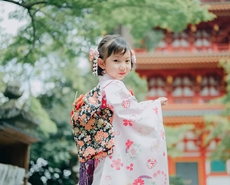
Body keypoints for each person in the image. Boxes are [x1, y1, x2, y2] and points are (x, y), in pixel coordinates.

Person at [71, 34, 169, 185]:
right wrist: (154, 106)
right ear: (102, 63)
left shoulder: (103, 86)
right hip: (113, 148)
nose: (123, 66)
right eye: (116, 61)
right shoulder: (114, 87)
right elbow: (133, 112)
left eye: (127, 61)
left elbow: (129, 109)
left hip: (105, 149)